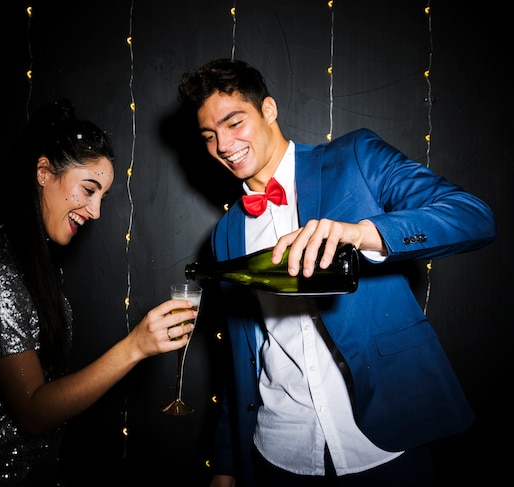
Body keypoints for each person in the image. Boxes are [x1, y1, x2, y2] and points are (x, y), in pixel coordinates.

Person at [177, 59, 497, 487]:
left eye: (234, 122)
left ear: (268, 109)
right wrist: (226, 463)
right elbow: (241, 357)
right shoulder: (226, 234)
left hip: (384, 442)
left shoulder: (356, 157)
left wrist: (364, 234)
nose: (223, 144)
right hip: (278, 451)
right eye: (209, 136)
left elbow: (474, 217)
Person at [0, 100, 197, 486]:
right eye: (89, 189)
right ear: (44, 172)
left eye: (102, 197)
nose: (95, 211)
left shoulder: (37, 265)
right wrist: (135, 346)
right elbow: (33, 411)